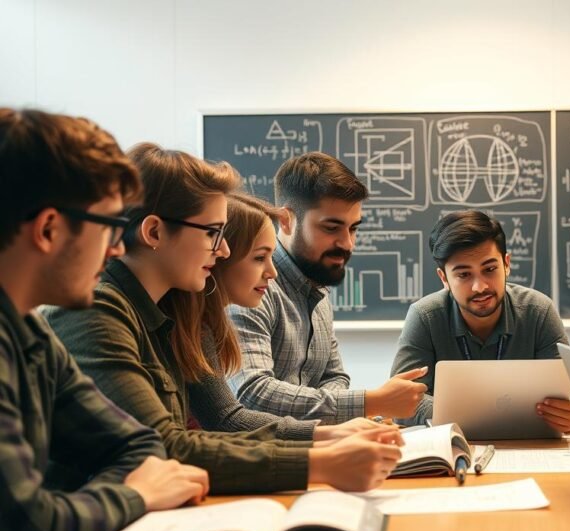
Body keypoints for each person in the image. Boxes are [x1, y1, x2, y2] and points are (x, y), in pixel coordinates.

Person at [46, 144, 403, 496]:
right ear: (154, 233)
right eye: (213, 232)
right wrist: (319, 460)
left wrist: (326, 437)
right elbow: (165, 446)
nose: (224, 250)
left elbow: (219, 423)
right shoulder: (97, 313)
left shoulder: (171, 310)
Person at [0, 109, 208, 531]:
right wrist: (135, 496)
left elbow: (140, 445)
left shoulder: (30, 332)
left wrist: (75, 509)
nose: (117, 248)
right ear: (50, 229)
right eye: (110, 227)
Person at [228, 153, 426, 422]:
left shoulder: (316, 286)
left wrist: (343, 421)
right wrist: (369, 403)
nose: (347, 243)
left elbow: (334, 377)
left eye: (353, 228)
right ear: (286, 220)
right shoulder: (250, 287)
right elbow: (252, 393)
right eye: (331, 228)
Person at [179, 191, 387, 442]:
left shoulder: (200, 326)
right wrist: (327, 431)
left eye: (353, 229)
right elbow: (234, 413)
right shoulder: (194, 324)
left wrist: (333, 428)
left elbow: (335, 377)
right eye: (259, 258)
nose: (272, 272)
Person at [391, 210, 570, 431]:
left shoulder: (538, 311)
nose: (480, 287)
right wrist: (479, 412)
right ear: (444, 278)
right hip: (454, 451)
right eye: (463, 275)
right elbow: (400, 402)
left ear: (506, 264)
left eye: (489, 269)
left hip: (531, 448)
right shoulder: (425, 316)